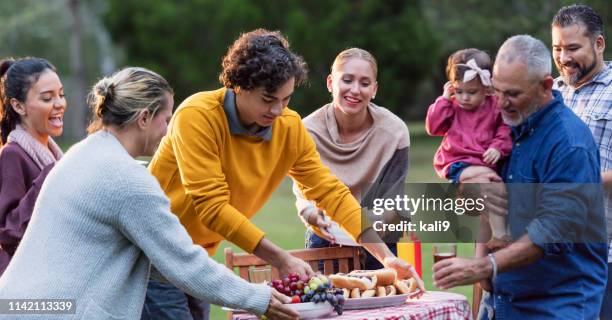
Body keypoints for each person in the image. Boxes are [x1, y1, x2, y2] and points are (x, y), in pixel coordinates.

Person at [146, 29, 424, 319]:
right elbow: (212, 206)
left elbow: (331, 193)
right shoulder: (198, 115)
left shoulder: (289, 127)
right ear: (239, 84)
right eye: (268, 99)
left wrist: (386, 257)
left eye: (286, 99)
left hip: (196, 257)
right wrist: (280, 258)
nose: (278, 110)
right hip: (153, 250)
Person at [0, 67, 299, 320]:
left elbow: (164, 262)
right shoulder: (127, 181)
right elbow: (184, 263)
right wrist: (259, 299)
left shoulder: (83, 152)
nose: (169, 131)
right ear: (144, 118)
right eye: (166, 119)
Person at [432, 35, 608, 319]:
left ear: (545, 86)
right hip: (503, 299)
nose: (501, 103)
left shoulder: (568, 142)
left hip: (557, 305)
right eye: (497, 92)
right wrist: (466, 187)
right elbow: (477, 202)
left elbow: (554, 230)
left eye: (513, 94)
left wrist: (485, 266)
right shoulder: (506, 127)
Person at [291, 48, 410, 269]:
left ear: (374, 89)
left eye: (365, 83)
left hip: (380, 242)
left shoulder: (394, 132)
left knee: (384, 302)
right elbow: (304, 191)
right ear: (330, 83)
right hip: (326, 241)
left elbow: (393, 200)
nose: (355, 90)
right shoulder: (307, 130)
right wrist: (309, 212)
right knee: (323, 302)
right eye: (347, 80)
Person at [551, 5, 612, 318]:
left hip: (604, 253)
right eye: (557, 48)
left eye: (573, 48)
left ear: (598, 44)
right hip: (553, 251)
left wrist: (584, 184)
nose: (563, 58)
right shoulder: (549, 93)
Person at [426, 49, 513, 249]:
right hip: (458, 163)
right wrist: (444, 100)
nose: (464, 97)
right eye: (459, 91)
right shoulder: (452, 105)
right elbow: (433, 127)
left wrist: (497, 148)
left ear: (487, 88)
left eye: (471, 92)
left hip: (483, 164)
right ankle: (500, 234)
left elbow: (505, 129)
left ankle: (494, 240)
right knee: (488, 180)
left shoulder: (494, 106)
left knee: (491, 194)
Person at [0, 57, 64, 275]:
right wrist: (48, 177)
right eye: (47, 98)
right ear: (18, 106)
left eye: (61, 94)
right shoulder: (12, 155)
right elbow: (8, 233)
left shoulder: (53, 155)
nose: (59, 104)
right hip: (24, 287)